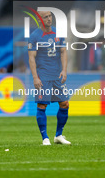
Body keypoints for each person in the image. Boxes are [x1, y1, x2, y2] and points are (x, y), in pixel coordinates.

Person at [28, 10, 70, 145]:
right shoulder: (35, 36)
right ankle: (45, 138)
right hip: (43, 76)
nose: (49, 19)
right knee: (42, 105)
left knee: (64, 104)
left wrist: (64, 70)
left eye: (50, 16)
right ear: (39, 19)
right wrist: (35, 77)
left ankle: (58, 135)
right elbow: (31, 58)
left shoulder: (58, 33)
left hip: (57, 75)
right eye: (45, 17)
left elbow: (63, 52)